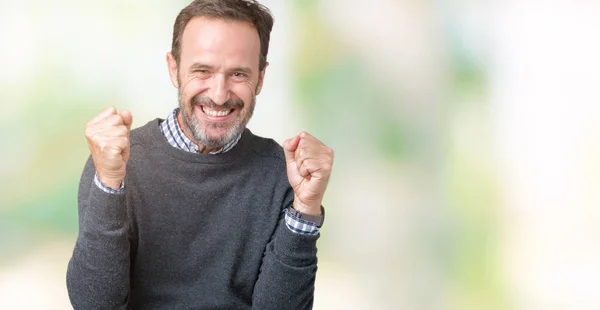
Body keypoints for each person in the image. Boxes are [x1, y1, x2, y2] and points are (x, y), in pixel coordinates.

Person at [65, 0, 334, 309]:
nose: (219, 95)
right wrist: (110, 185)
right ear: (173, 69)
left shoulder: (283, 173)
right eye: (203, 71)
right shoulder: (117, 164)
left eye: (238, 74)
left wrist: (306, 207)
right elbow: (94, 305)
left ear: (260, 78)